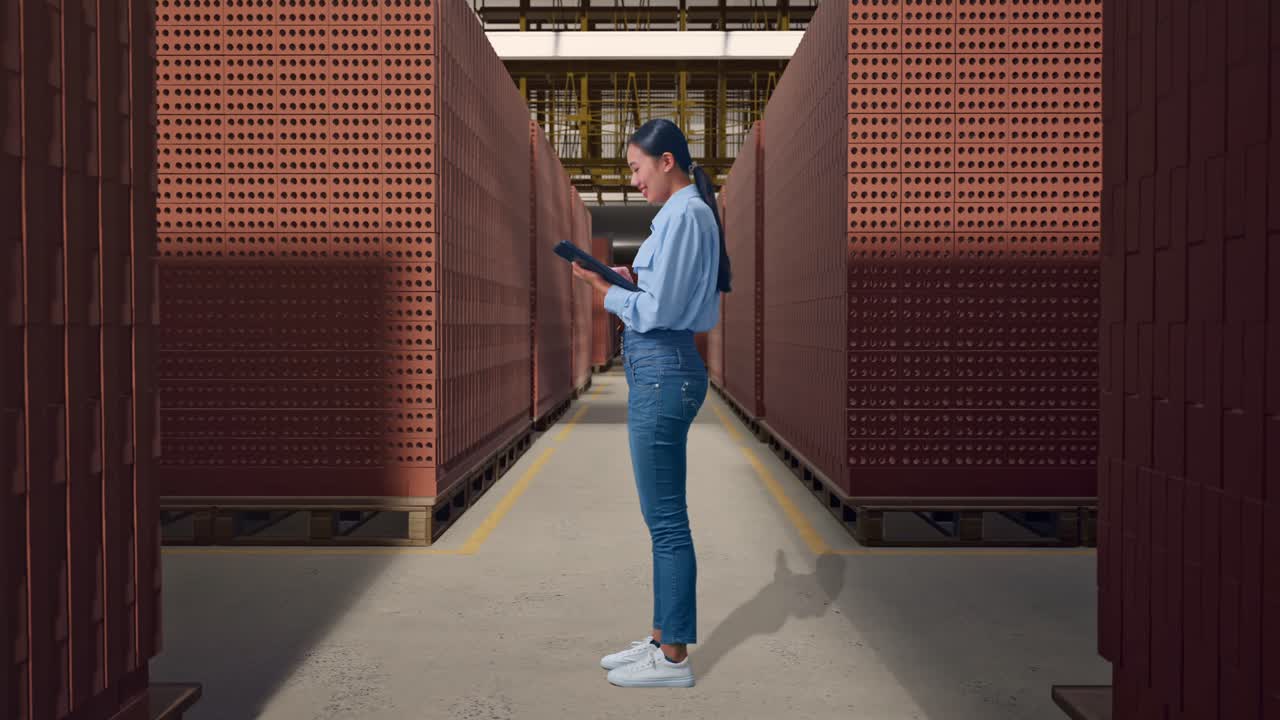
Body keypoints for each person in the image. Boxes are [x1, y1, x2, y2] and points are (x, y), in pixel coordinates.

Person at [571, 118, 731, 689]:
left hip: (663, 369)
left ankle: (673, 659)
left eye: (637, 168)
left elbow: (660, 312)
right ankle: (664, 638)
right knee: (661, 519)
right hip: (660, 367)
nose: (634, 181)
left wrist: (604, 291)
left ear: (667, 161)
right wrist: (629, 279)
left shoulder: (686, 215)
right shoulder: (680, 216)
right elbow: (664, 294)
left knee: (666, 523)